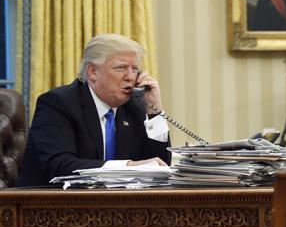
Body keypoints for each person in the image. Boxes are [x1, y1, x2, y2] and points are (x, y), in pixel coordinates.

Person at [18, 34, 172, 186]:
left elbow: (160, 165)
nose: (130, 77)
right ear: (93, 72)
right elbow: (60, 166)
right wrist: (127, 167)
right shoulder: (58, 103)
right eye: (121, 68)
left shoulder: (134, 107)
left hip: (116, 206)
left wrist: (155, 112)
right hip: (49, 204)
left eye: (135, 69)